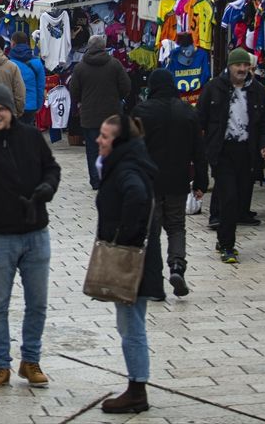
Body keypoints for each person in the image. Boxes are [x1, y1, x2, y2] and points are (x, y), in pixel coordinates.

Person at [0, 82, 60, 390]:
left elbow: (52, 169)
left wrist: (47, 188)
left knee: (37, 302)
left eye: (0, 109)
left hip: (35, 232)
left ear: (11, 111)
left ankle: (30, 361)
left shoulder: (31, 137)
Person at [94, 113, 162, 414]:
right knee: (130, 323)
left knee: (131, 326)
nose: (98, 140)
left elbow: (137, 199)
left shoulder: (127, 170)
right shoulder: (127, 163)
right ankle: (137, 386)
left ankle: (137, 390)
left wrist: (123, 239)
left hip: (132, 261)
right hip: (139, 258)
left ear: (119, 141)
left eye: (105, 136)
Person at [135, 68, 207, 297]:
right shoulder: (187, 112)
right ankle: (177, 266)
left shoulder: (141, 112)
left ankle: (155, 284)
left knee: (152, 231)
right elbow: (199, 150)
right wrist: (201, 182)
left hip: (150, 182)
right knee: (176, 226)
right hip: (178, 180)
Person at [196, 47, 265, 264]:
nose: (241, 69)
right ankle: (228, 245)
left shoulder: (257, 90)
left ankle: (223, 238)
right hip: (223, 150)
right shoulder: (214, 88)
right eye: (238, 65)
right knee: (228, 198)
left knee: (238, 200)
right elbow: (200, 119)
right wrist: (198, 150)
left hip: (247, 152)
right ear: (229, 66)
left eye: (245, 65)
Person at [68, 34, 131, 190]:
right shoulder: (115, 65)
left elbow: (74, 91)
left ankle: (96, 181)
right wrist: (117, 98)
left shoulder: (80, 67)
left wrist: (83, 100)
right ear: (104, 47)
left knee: (92, 149)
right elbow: (126, 87)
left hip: (89, 116)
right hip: (112, 115)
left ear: (89, 47)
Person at [8, 31, 45, 126]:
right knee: (27, 134)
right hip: (31, 105)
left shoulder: (8, 63)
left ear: (13, 43)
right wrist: (39, 104)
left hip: (13, 105)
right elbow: (40, 87)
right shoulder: (37, 62)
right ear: (27, 43)